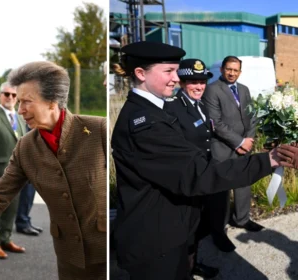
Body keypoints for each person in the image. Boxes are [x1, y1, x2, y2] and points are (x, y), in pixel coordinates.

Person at [110, 41, 293, 280]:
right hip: (156, 241)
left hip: (168, 229)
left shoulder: (155, 111)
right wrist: (268, 160)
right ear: (141, 73)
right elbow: (198, 174)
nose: (177, 79)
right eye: (169, 71)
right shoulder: (146, 124)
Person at [0, 61, 107, 280]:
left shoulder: (99, 130)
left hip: (108, 251)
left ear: (52, 102)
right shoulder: (26, 147)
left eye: (26, 102)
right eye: (18, 100)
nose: (20, 108)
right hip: (70, 257)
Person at [164, 58, 218, 279]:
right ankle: (183, 271)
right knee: (185, 232)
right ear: (182, 83)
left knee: (197, 228)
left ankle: (192, 264)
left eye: (202, 81)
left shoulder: (202, 104)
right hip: (187, 181)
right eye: (193, 82)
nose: (199, 86)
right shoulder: (172, 108)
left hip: (202, 178)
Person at [202, 56, 263, 253]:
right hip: (223, 148)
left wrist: (249, 139)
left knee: (244, 183)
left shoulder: (244, 89)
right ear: (222, 70)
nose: (232, 73)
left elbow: (251, 115)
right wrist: (239, 142)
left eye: (236, 70)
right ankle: (219, 232)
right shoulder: (212, 89)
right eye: (229, 69)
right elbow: (215, 122)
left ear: (240, 72)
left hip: (244, 145)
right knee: (221, 191)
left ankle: (243, 219)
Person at [0, 82, 27, 259]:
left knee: (12, 208)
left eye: (14, 95)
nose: (10, 98)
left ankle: (5, 238)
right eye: (6, 94)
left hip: (17, 174)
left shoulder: (21, 118)